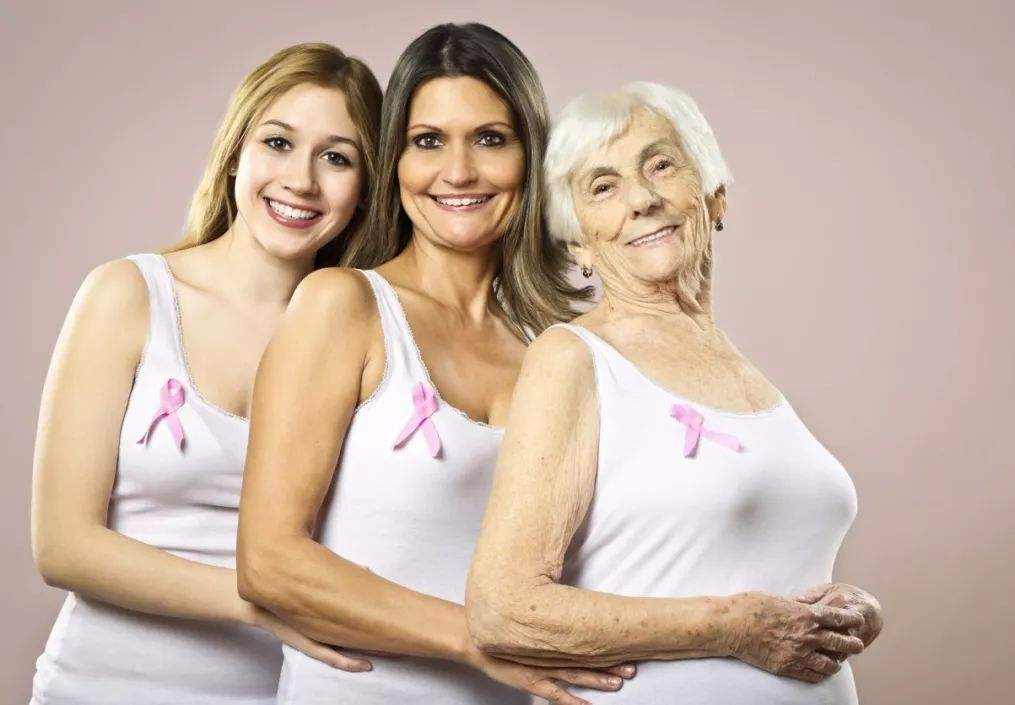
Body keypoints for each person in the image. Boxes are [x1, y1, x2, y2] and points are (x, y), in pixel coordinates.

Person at [236, 24, 632, 705]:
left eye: (490, 138)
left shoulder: (558, 347)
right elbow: (268, 562)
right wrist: (482, 641)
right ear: (394, 160)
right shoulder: (346, 305)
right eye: (428, 141)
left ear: (530, 156)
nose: (458, 172)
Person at [466, 82, 884, 704]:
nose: (642, 199)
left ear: (715, 196)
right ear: (579, 241)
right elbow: (504, 609)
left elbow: (757, 563)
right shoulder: (574, 358)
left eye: (661, 166)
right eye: (603, 187)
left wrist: (853, 612)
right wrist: (732, 627)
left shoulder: (746, 374)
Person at [30, 43, 382, 704]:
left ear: (365, 191)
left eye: (337, 158)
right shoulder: (128, 294)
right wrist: (261, 601)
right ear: (235, 154)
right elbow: (62, 545)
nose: (302, 180)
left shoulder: (369, 339)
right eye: (278, 143)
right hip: (95, 689)